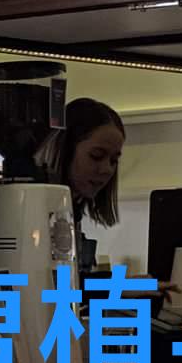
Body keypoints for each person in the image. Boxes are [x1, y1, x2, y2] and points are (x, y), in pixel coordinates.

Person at [44, 98, 124, 270]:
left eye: (113, 161)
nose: (107, 170)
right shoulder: (37, 212)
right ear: (65, 150)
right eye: (96, 156)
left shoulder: (72, 212)